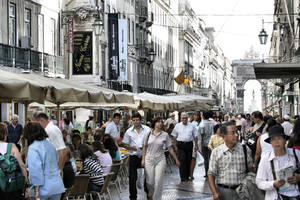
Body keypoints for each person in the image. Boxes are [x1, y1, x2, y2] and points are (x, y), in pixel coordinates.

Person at [208, 121, 253, 200]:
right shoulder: (216, 152)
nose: (236, 135)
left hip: (242, 192)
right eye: (232, 133)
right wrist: (214, 193)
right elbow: (211, 173)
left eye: (236, 132)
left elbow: (250, 170)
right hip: (223, 192)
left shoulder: (245, 149)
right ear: (223, 135)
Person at [256, 125, 300, 200]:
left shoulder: (296, 154)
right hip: (275, 197)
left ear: (285, 140)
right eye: (273, 139)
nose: (276, 142)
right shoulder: (266, 159)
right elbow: (259, 182)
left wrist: (298, 178)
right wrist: (273, 184)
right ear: (270, 142)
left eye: (279, 138)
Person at [24, 122, 65, 200]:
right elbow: (56, 161)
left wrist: (36, 190)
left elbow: (36, 170)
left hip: (42, 188)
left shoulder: (33, 148)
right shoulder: (51, 144)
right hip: (56, 186)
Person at [142, 117, 180, 200]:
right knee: (150, 182)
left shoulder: (165, 135)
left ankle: (156, 198)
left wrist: (176, 159)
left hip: (160, 159)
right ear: (154, 123)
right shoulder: (148, 134)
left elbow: (169, 148)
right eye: (157, 122)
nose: (160, 123)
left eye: (161, 122)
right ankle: (150, 195)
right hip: (149, 159)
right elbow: (144, 146)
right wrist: (143, 159)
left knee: (158, 181)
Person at [122, 112, 151, 200]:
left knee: (148, 177)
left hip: (145, 156)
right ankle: (133, 197)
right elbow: (124, 144)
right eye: (134, 120)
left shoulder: (147, 129)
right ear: (132, 121)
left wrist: (146, 146)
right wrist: (131, 147)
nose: (136, 122)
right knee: (132, 178)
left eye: (137, 120)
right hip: (134, 156)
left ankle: (149, 195)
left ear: (140, 120)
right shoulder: (129, 131)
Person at [0, 123, 28, 200]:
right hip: (10, 185)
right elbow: (21, 166)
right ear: (5, 133)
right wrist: (26, 185)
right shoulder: (11, 146)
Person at [171, 112, 198, 182]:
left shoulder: (192, 125)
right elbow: (174, 136)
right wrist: (175, 146)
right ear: (181, 119)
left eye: (186, 118)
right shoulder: (177, 125)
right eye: (183, 118)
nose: (184, 119)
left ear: (187, 118)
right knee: (182, 160)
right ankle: (183, 177)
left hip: (189, 144)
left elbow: (195, 136)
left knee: (188, 160)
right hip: (180, 144)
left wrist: (196, 145)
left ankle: (188, 175)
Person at [199, 111, 214, 177]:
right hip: (211, 143)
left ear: (203, 116)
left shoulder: (202, 124)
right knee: (211, 158)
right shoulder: (212, 123)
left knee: (205, 159)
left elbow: (202, 134)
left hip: (205, 143)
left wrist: (201, 143)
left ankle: (207, 172)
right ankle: (211, 172)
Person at [190, 111, 201, 180]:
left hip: (198, 142)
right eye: (195, 115)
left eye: (197, 115)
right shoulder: (191, 123)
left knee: (194, 159)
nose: (196, 117)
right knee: (192, 158)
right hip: (192, 142)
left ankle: (191, 174)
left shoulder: (200, 123)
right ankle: (190, 173)